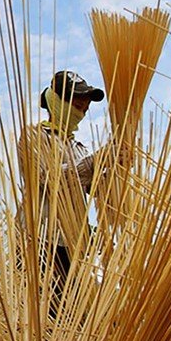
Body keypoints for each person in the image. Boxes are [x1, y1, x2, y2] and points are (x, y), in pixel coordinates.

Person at [19, 70, 107, 299]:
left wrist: (116, 168)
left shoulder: (79, 149)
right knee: (45, 317)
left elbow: (98, 191)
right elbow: (49, 180)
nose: (83, 110)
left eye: (84, 108)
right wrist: (95, 162)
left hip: (73, 247)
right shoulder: (34, 136)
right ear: (56, 100)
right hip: (40, 242)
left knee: (75, 319)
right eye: (77, 104)